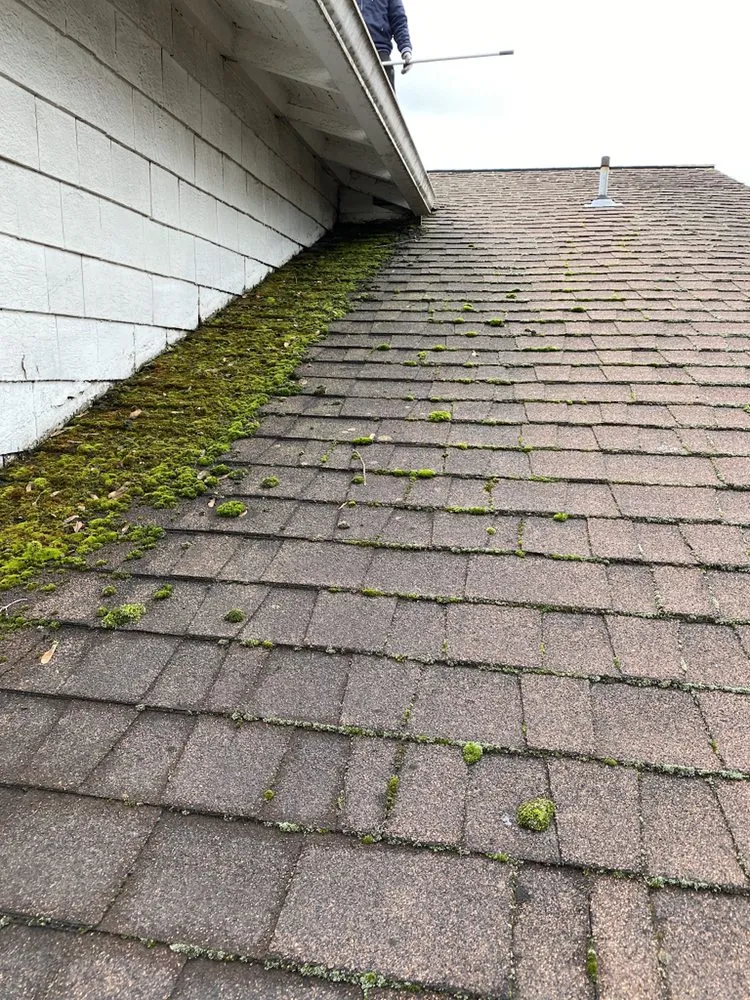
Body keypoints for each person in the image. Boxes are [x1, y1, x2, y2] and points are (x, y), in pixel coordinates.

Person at [357, 0, 413, 90]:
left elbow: (399, 20)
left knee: (385, 94)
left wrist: (406, 50)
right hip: (346, 42)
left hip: (379, 51)